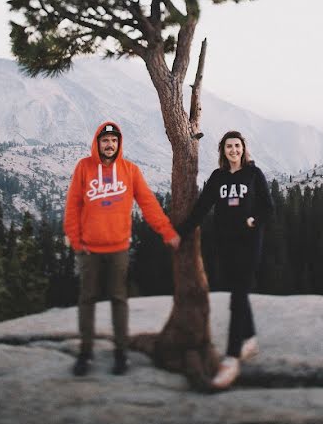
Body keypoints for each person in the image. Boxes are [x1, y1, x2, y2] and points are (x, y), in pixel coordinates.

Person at [64, 121, 180, 376]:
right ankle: (85, 353)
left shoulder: (130, 171)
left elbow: (149, 204)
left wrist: (167, 232)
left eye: (114, 141)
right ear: (98, 143)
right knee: (87, 299)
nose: (109, 145)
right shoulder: (84, 168)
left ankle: (120, 353)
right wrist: (75, 240)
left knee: (119, 299)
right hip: (89, 250)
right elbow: (72, 206)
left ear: (119, 144)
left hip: (118, 248)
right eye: (105, 141)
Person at [177, 130, 273, 389]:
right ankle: (250, 338)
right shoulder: (218, 178)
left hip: (250, 242)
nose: (233, 150)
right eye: (229, 146)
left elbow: (268, 206)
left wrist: (254, 220)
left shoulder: (254, 174)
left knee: (237, 295)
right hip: (226, 243)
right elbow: (202, 208)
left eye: (237, 146)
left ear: (243, 149)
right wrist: (181, 233)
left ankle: (231, 358)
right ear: (223, 150)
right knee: (238, 290)